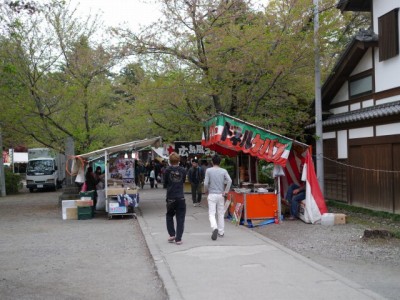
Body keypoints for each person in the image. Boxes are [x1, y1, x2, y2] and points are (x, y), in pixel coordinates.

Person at [204, 154, 232, 241]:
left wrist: (206, 190)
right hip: (221, 195)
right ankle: (221, 232)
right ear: (220, 162)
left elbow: (205, 183)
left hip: (212, 194)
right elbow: (229, 180)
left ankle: (214, 227)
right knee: (220, 213)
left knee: (212, 213)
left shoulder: (208, 170)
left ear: (212, 162)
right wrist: (226, 191)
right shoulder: (223, 171)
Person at [164, 152, 187, 245]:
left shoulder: (167, 170)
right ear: (179, 160)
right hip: (180, 196)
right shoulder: (183, 170)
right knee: (180, 218)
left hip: (170, 196)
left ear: (170, 160)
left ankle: (172, 234)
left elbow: (165, 183)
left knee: (169, 215)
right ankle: (178, 239)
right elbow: (183, 180)